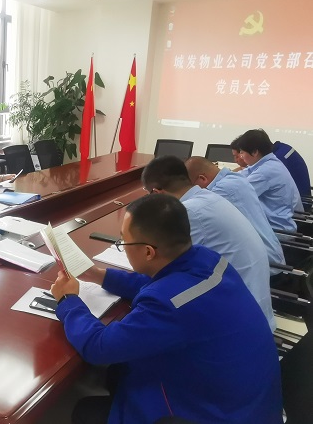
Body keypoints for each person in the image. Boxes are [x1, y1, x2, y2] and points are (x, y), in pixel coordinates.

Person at [51, 194, 282, 424]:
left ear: (148, 252)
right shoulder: (208, 259)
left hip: (217, 414)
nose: (122, 247)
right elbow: (160, 283)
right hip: (252, 402)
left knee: (87, 410)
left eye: (123, 242)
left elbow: (98, 347)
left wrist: (68, 300)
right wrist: (99, 275)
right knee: (118, 372)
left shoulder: (168, 305)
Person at [141, 156, 275, 330]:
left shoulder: (190, 212)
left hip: (242, 319)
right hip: (251, 302)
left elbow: (164, 266)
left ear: (157, 193)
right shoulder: (208, 196)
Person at [185, 156, 285, 269]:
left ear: (202, 179)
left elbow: (194, 213)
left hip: (265, 263)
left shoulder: (221, 191)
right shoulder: (234, 178)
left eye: (192, 187)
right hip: (268, 252)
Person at [236, 129, 303, 232]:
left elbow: (238, 194)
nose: (241, 157)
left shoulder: (266, 171)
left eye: (242, 153)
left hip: (276, 231)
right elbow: (244, 174)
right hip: (273, 224)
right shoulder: (269, 162)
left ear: (255, 152)